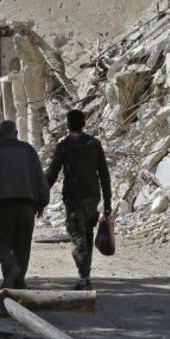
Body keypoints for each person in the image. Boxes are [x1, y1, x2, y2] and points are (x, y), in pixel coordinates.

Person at [0, 120, 50, 289]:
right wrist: (43, 201)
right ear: (16, 134)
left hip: (1, 206)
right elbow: (39, 178)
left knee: (0, 242)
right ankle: (18, 282)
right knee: (23, 246)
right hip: (27, 205)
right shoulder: (28, 150)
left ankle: (10, 268)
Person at [45, 109, 111, 291]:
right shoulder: (94, 144)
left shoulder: (64, 146)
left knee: (77, 237)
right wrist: (108, 202)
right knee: (87, 234)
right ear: (84, 123)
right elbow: (104, 175)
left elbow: (51, 175)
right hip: (92, 196)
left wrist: (40, 194)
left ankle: (83, 276)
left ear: (68, 125)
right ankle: (85, 275)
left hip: (73, 197)